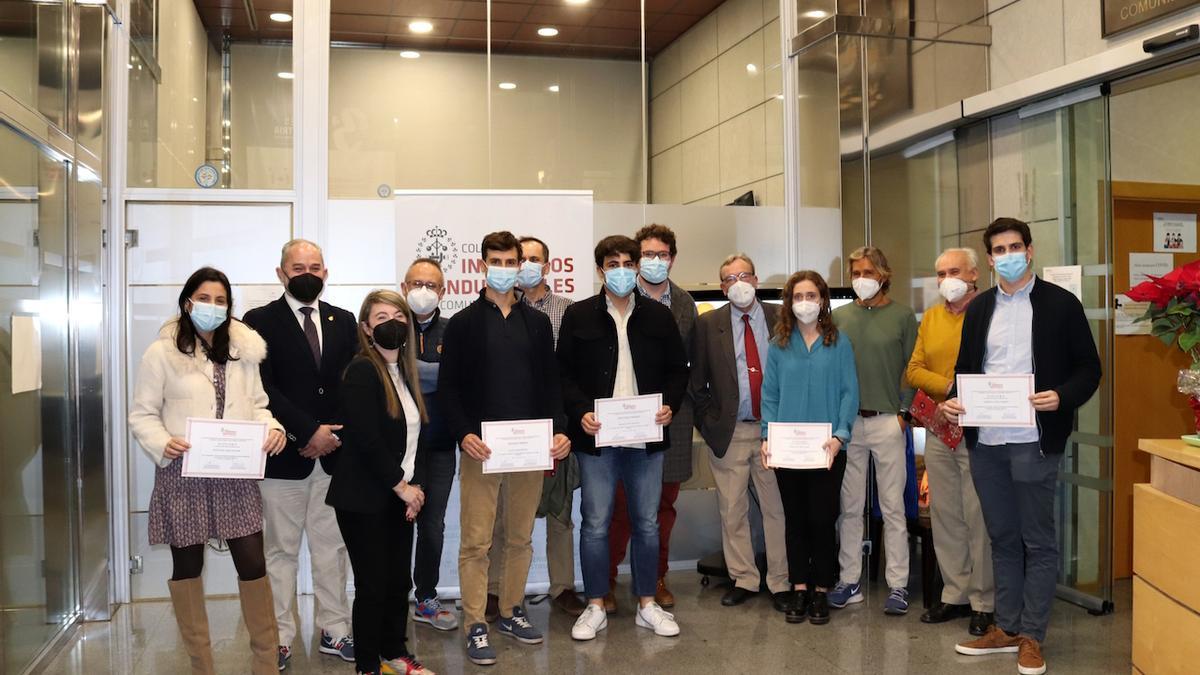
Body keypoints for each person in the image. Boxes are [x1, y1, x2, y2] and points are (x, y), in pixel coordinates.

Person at [941, 218, 1101, 675]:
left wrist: (1062, 396)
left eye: (1016, 246)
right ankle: (1006, 627)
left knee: (1038, 539)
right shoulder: (979, 308)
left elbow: (1089, 369)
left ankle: (1032, 635)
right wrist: (955, 399)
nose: (1008, 254)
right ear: (989, 259)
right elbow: (966, 368)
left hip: (1034, 439)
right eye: (999, 249)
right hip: (987, 441)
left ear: (1029, 251)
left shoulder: (1061, 305)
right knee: (1003, 537)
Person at [129, 266, 287, 675]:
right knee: (187, 568)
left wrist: (272, 429)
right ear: (187, 302)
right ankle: (202, 665)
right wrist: (163, 441)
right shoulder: (161, 352)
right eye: (204, 298)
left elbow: (258, 406)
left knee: (253, 563)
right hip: (183, 473)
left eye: (221, 301)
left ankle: (266, 664)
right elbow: (142, 414)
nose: (212, 307)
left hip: (235, 474)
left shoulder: (244, 352)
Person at [437, 231, 572, 667]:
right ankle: (476, 622)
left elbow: (551, 384)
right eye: (495, 260)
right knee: (476, 542)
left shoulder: (535, 322)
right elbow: (449, 389)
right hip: (483, 451)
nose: (504, 267)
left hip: (530, 449)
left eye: (511, 260)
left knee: (519, 537)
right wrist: (463, 434)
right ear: (481, 266)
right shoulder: (463, 324)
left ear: (519, 266)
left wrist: (559, 430)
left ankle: (511, 610)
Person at [558, 235, 689, 642]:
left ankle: (647, 604)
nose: (621, 271)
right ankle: (595, 604)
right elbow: (563, 375)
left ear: (637, 267)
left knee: (647, 523)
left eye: (628, 263)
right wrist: (581, 412)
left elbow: (677, 370)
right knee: (595, 522)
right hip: (597, 439)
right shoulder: (578, 315)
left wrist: (669, 405)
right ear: (600, 270)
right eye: (612, 264)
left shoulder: (658, 316)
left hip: (646, 439)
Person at [242, 239, 357, 669]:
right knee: (281, 553)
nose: (306, 272)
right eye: (297, 267)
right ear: (281, 273)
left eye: (315, 266)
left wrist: (330, 435)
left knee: (332, 549)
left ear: (325, 272)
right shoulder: (258, 321)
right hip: (282, 457)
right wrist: (307, 431)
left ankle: (335, 630)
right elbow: (262, 388)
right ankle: (279, 638)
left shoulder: (344, 321)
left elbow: (352, 384)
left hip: (334, 456)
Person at [326, 290, 434, 675]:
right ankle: (368, 664)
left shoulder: (404, 373)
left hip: (397, 495)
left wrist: (412, 489)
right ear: (367, 328)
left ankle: (394, 651)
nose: (392, 322)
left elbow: (412, 438)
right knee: (372, 584)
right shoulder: (362, 370)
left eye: (399, 316)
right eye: (382, 316)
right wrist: (402, 486)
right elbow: (367, 440)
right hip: (363, 497)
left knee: (397, 581)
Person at [485, 236, 585, 619]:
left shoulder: (567, 311)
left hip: (553, 428)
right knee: (501, 516)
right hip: (508, 432)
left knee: (559, 513)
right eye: (517, 259)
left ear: (546, 266)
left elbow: (570, 374)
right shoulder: (498, 309)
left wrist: (565, 428)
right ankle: (496, 592)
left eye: (532, 259)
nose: (523, 265)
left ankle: (563, 588)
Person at [602, 224, 698, 611]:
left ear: (672, 258)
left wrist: (678, 404)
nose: (655, 262)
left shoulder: (687, 304)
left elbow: (688, 365)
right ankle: (605, 581)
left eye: (662, 255)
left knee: (663, 509)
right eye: (648, 255)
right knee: (621, 509)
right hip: (624, 422)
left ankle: (655, 578)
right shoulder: (618, 297)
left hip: (670, 419)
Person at [689, 253, 791, 610]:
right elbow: (696, 381)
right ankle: (745, 578)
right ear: (721, 287)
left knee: (776, 509)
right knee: (732, 510)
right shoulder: (708, 324)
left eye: (744, 275)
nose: (738, 283)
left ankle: (781, 582)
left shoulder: (781, 316)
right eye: (730, 279)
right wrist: (709, 422)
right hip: (730, 432)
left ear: (757, 279)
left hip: (773, 432)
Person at [904, 247, 995, 636]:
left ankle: (983, 601)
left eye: (954, 271)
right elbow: (913, 369)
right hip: (940, 425)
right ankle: (954, 593)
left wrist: (961, 395)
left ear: (975, 273)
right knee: (945, 513)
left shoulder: (990, 311)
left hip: (980, 426)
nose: (946, 280)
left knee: (978, 515)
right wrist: (948, 391)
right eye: (940, 273)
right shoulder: (933, 317)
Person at [759, 271, 858, 625]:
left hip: (827, 449)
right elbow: (769, 395)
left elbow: (849, 392)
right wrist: (766, 437)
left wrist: (841, 435)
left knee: (822, 519)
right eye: (798, 296)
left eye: (811, 295)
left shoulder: (839, 342)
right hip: (787, 451)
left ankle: (821, 590)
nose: (805, 302)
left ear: (823, 300)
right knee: (795, 521)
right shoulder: (778, 345)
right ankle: (799, 588)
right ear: (789, 302)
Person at [829, 246, 918, 615]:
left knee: (893, 507)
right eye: (855, 273)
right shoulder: (840, 317)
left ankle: (898, 585)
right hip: (850, 425)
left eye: (867, 271)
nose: (860, 279)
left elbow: (913, 368)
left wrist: (904, 414)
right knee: (849, 507)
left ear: (883, 273)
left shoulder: (902, 316)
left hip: (887, 421)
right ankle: (849, 580)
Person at [404, 259, 460, 632]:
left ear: (443, 291)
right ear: (405, 286)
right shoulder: (389, 324)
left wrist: (411, 370)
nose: (424, 290)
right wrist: (436, 374)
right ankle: (393, 595)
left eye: (432, 284)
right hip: (398, 448)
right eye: (416, 283)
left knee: (433, 525)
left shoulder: (454, 330)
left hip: (440, 445)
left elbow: (459, 379)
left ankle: (425, 597)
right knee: (395, 525)